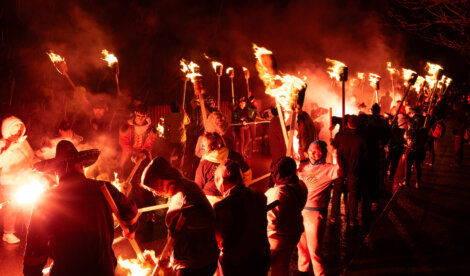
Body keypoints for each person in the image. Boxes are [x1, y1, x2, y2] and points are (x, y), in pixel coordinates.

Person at [24, 140, 138, 275]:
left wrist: (32, 273)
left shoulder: (46, 199)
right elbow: (131, 211)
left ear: (56, 171)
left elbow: (36, 245)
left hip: (67, 270)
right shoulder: (103, 188)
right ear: (82, 165)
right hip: (102, 269)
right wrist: (131, 229)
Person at [141, 157, 220, 275]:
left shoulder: (183, 196)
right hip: (203, 259)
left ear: (161, 181)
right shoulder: (187, 186)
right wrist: (169, 256)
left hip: (194, 264)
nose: (155, 193)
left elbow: (182, 232)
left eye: (154, 189)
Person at [213, 160, 270, 276]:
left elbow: (217, 239)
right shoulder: (259, 195)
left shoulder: (222, 207)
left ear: (221, 181)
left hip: (237, 264)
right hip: (261, 258)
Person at [297, 141, 340, 276]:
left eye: (316, 151)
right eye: (310, 151)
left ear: (323, 152)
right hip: (300, 212)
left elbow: (339, 171)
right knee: (301, 247)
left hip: (314, 214)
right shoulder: (304, 168)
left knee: (314, 250)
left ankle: (320, 274)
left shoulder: (328, 169)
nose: (312, 153)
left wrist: (335, 153)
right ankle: (302, 271)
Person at [265, 157, 307, 276]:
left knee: (271, 268)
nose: (273, 175)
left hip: (277, 239)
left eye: (276, 173)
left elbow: (271, 222)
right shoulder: (301, 184)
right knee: (282, 267)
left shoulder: (276, 193)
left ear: (287, 175)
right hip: (294, 233)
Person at [0, 116, 37, 244]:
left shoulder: (23, 142)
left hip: (24, 181)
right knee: (12, 208)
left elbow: (30, 157)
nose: (17, 129)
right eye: (14, 127)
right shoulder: (2, 143)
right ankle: (8, 233)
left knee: (29, 207)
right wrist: (9, 150)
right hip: (9, 182)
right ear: (7, 129)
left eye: (19, 126)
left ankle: (32, 232)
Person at [195, 132, 251, 205]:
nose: (202, 148)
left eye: (203, 145)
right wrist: (241, 189)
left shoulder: (204, 163)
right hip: (232, 200)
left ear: (210, 146)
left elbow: (198, 186)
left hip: (211, 202)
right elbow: (247, 173)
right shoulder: (234, 156)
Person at [330, 115, 367, 226]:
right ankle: (351, 219)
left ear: (347, 124)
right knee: (353, 195)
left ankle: (333, 216)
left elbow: (334, 149)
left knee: (336, 193)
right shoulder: (361, 139)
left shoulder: (340, 136)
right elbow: (365, 156)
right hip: (354, 170)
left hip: (341, 169)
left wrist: (332, 142)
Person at [164, 102, 190, 168]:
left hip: (171, 139)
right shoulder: (182, 116)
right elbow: (188, 122)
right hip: (181, 139)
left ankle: (168, 167)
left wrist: (167, 137)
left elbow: (165, 128)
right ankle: (180, 169)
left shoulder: (168, 116)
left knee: (170, 155)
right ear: (179, 108)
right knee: (181, 155)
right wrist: (183, 110)